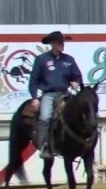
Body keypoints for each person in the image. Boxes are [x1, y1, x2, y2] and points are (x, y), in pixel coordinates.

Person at [28, 31, 83, 159]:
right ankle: (44, 146)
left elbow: (77, 76)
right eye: (58, 43)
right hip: (49, 94)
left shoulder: (69, 60)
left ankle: (78, 142)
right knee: (45, 118)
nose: (61, 45)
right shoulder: (41, 59)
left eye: (62, 43)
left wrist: (76, 82)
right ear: (52, 44)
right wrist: (35, 98)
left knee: (78, 113)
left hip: (65, 93)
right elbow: (34, 81)